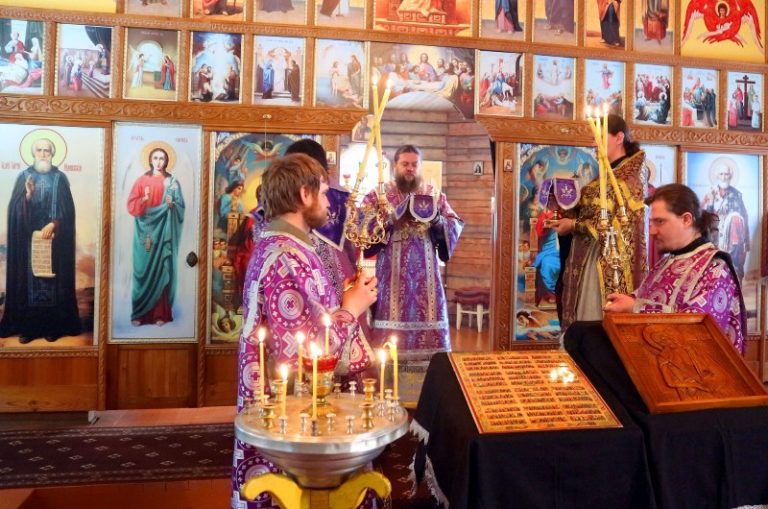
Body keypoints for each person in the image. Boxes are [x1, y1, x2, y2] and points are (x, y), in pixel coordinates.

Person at [231, 154, 377, 509]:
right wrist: (351, 309)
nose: (329, 202)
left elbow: (307, 318)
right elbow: (304, 354)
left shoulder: (290, 246)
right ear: (304, 194)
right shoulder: (286, 256)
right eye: (324, 192)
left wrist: (342, 299)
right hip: (292, 418)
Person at [362, 145, 464, 393]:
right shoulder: (379, 195)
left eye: (414, 164)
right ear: (395, 166)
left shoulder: (432, 194)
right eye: (405, 164)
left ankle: (428, 392)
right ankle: (386, 390)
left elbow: (454, 223)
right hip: (391, 280)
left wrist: (437, 220)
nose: (409, 169)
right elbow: (362, 227)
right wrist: (390, 219)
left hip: (426, 283)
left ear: (420, 166)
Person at [605, 184, 746, 354]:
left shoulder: (715, 267)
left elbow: (698, 328)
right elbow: (642, 296)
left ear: (686, 219)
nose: (652, 231)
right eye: (651, 223)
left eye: (660, 222)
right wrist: (625, 301)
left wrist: (636, 308)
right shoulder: (665, 263)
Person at [285, 138, 375, 377]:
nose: (327, 201)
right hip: (314, 320)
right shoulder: (284, 249)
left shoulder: (273, 227)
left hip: (338, 296)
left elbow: (359, 246)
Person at [551, 114, 647, 332]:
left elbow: (614, 225)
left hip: (607, 266)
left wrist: (573, 225)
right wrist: (565, 208)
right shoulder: (605, 176)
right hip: (588, 257)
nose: (594, 144)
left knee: (595, 316)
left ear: (619, 137)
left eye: (600, 137)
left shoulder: (629, 178)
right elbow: (589, 211)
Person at [0, 138, 81, 344]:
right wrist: (27, 195)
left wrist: (54, 223)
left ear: (52, 154)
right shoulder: (23, 177)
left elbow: (68, 210)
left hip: (54, 241)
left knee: (52, 284)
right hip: (29, 243)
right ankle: (29, 329)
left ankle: (53, 327)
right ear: (33, 153)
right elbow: (15, 211)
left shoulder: (60, 178)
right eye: (39, 150)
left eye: (47, 151)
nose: (43, 154)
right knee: (28, 284)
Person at [126, 145, 185, 327]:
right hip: (145, 232)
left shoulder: (172, 182)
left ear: (166, 161)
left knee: (161, 270)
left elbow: (180, 207)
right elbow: (131, 206)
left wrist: (172, 204)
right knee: (143, 271)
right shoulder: (142, 181)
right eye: (155, 158)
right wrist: (143, 199)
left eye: (162, 158)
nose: (159, 162)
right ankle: (140, 314)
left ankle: (160, 314)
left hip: (164, 231)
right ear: (150, 160)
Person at [700, 158, 749, 281]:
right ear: (717, 176)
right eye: (721, 174)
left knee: (735, 219)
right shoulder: (711, 194)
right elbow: (704, 216)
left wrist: (746, 240)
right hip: (715, 233)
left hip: (732, 236)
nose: (723, 177)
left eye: (726, 174)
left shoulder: (737, 195)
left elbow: (743, 216)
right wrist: (710, 203)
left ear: (730, 176)